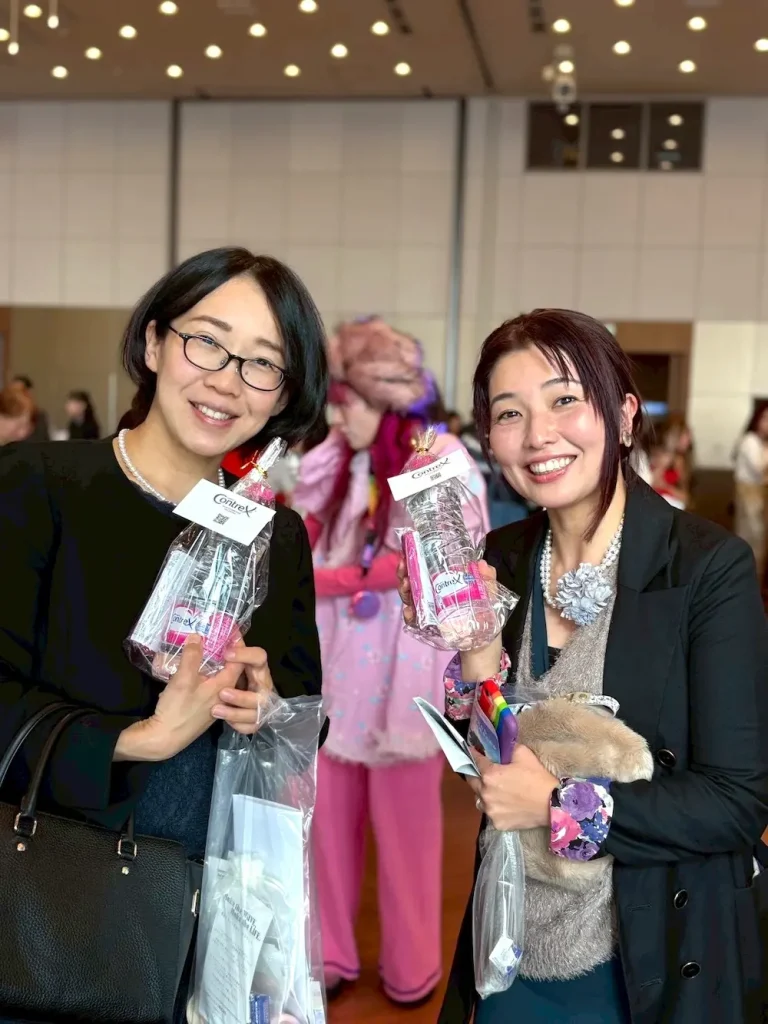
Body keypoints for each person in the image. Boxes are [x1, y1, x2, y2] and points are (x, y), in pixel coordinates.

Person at [399, 309, 768, 1024]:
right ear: (489, 438)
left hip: (648, 958)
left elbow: (736, 803)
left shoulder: (705, 569)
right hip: (511, 937)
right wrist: (471, 648)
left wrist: (556, 805)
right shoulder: (501, 557)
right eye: (510, 413)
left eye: (565, 400)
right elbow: (485, 756)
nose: (539, 434)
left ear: (624, 416)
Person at [0, 247, 328, 1019]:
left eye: (262, 363)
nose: (227, 380)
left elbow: (305, 715)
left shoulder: (275, 537)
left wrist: (267, 707)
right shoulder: (36, 484)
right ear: (153, 343)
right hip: (51, 897)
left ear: (284, 393)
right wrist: (134, 740)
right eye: (206, 342)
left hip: (213, 915)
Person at [292, 317, 489, 1009]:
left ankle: (412, 966)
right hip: (337, 667)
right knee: (327, 826)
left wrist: (330, 579)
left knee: (408, 833)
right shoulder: (344, 459)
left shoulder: (436, 458)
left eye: (346, 400)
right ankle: (330, 955)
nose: (336, 414)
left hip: (401, 669)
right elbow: (302, 521)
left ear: (383, 398)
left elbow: (433, 560)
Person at [733, 405, 768, 576]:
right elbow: (760, 468)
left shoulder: (762, 443)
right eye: (765, 418)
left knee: (760, 541)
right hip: (749, 494)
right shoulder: (750, 441)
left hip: (760, 495)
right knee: (751, 537)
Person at [11, 375, 49, 442]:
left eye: (20, 391)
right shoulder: (6, 416)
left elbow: (43, 441)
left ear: (29, 392)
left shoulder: (39, 415)